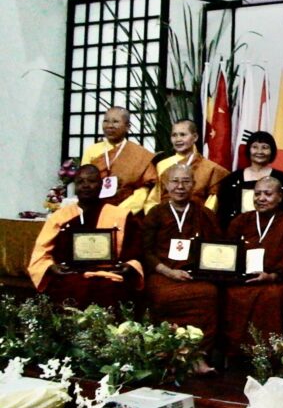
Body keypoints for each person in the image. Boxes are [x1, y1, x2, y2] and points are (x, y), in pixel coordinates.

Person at [141, 163, 222, 373]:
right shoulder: (156, 213)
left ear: (194, 185)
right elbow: (146, 251)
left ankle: (198, 357)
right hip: (163, 274)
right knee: (163, 295)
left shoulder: (204, 214)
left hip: (194, 275)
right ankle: (169, 354)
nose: (180, 186)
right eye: (175, 181)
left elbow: (217, 248)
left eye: (186, 181)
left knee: (209, 293)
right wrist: (168, 271)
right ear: (166, 186)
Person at [27, 164, 144, 310]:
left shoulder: (120, 215)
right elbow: (41, 252)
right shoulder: (59, 217)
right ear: (75, 187)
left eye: (91, 181)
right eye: (80, 182)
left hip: (110, 275)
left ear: (101, 185)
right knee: (69, 288)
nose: (86, 186)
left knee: (112, 289)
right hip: (70, 274)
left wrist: (130, 265)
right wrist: (51, 267)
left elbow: (136, 250)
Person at [221, 176, 283, 361]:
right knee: (232, 294)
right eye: (257, 194)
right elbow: (228, 251)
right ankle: (236, 352)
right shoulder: (241, 221)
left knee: (271, 296)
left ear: (280, 197)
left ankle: (268, 353)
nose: (261, 198)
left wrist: (271, 276)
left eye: (268, 194)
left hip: (276, 280)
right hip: (243, 278)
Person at [81, 106, 157, 214]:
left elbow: (145, 188)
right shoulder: (92, 151)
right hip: (94, 209)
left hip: (128, 212)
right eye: (106, 121)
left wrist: (121, 210)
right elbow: (84, 182)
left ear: (128, 126)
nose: (109, 126)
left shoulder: (139, 154)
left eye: (115, 122)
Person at [217, 131, 283, 229]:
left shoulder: (282, 178)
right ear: (248, 150)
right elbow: (223, 211)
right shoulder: (232, 179)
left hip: (273, 231)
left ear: (272, 151)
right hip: (238, 232)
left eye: (265, 147)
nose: (259, 152)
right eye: (255, 147)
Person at [144, 119, 228, 213]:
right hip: (165, 220)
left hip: (197, 220)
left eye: (183, 135)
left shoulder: (210, 168)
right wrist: (154, 218)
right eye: (174, 135)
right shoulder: (162, 165)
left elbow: (212, 203)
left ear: (195, 137)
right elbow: (153, 199)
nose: (178, 139)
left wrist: (201, 220)